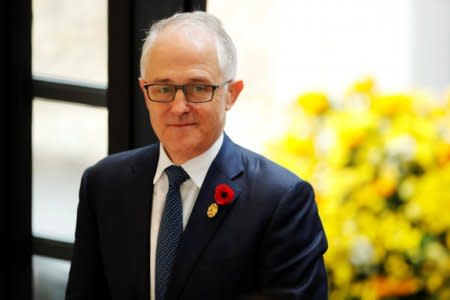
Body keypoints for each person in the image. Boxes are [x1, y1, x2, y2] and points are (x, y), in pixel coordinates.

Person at [66, 11, 328, 300]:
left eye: (198, 88)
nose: (179, 107)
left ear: (232, 94)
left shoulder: (282, 201)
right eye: (164, 88)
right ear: (144, 91)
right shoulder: (104, 184)